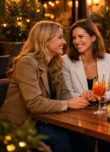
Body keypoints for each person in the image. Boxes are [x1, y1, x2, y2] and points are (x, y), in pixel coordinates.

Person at [0, 21, 95, 152]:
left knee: (84, 137)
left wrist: (79, 99)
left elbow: (64, 93)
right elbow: (34, 103)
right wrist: (67, 104)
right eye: (60, 37)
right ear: (45, 40)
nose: (64, 42)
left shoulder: (55, 62)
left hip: (46, 121)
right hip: (23, 125)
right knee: (60, 140)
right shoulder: (27, 63)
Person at [63, 19, 110, 101]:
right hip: (78, 111)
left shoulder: (109, 59)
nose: (76, 41)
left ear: (93, 37)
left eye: (81, 36)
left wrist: (102, 95)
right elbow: (65, 94)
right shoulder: (66, 61)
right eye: (74, 38)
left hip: (102, 110)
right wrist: (82, 95)